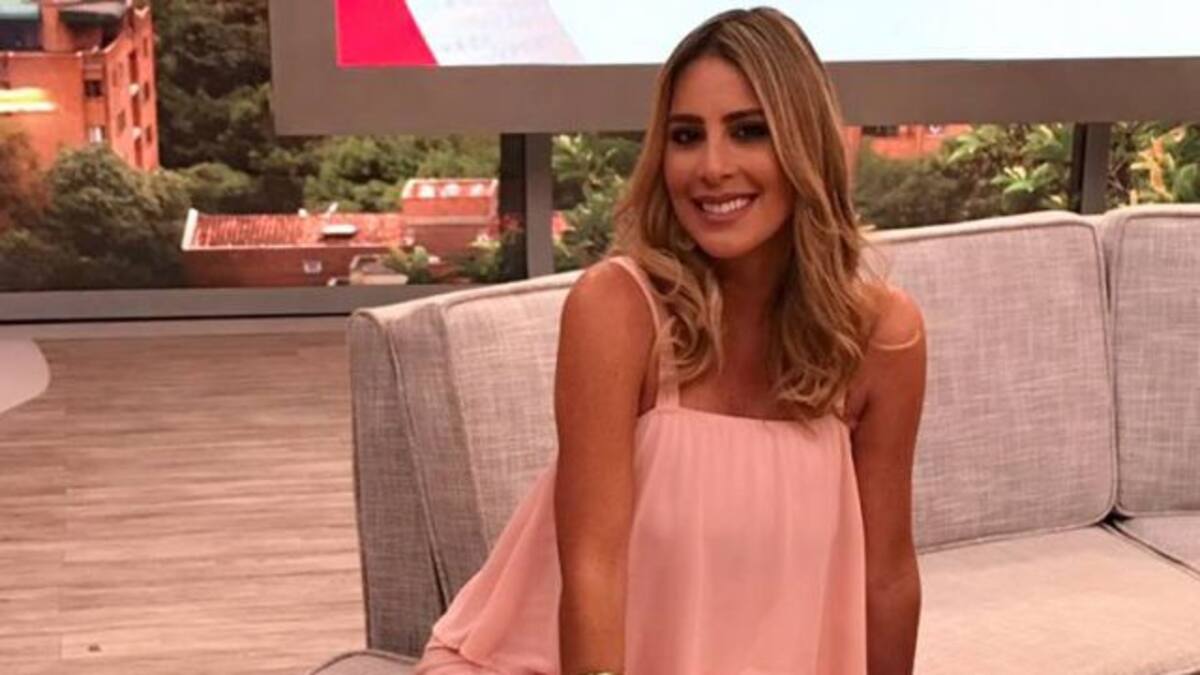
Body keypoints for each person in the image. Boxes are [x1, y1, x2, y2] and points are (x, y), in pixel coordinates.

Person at [414, 7, 925, 674]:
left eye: (748, 131)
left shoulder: (881, 338)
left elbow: (887, 576)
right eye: (686, 136)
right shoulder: (617, 310)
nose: (711, 167)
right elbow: (593, 567)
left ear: (805, 144)